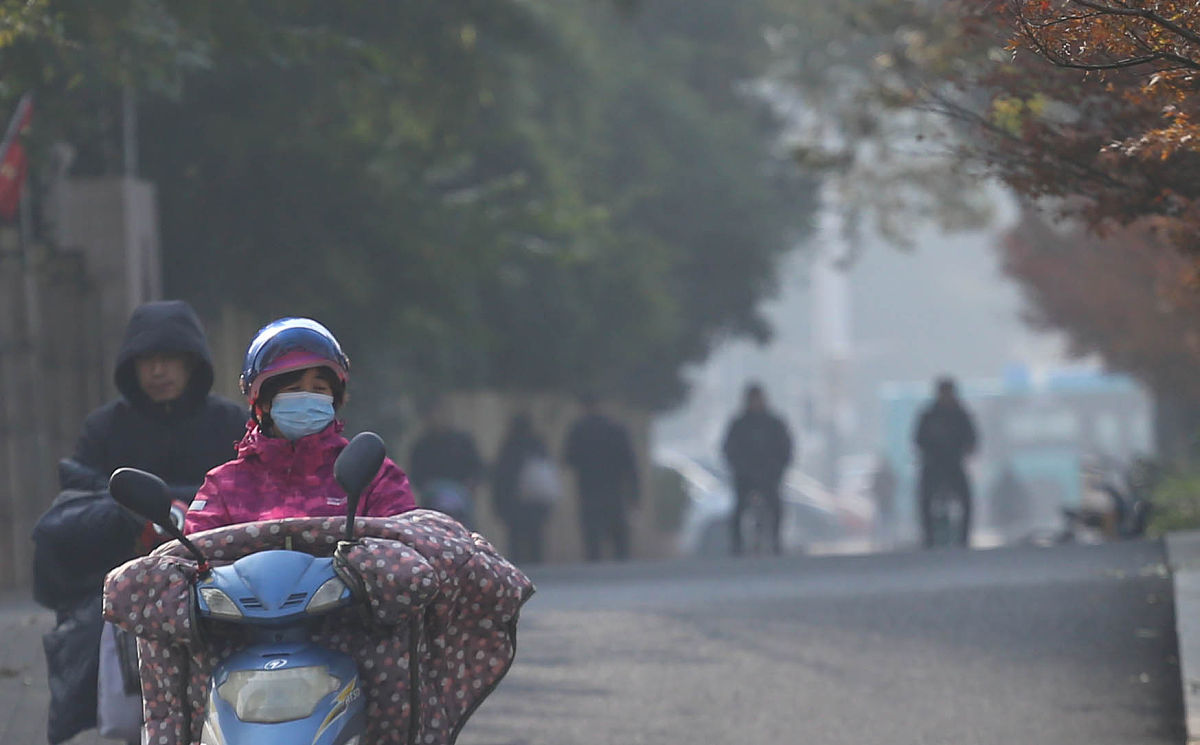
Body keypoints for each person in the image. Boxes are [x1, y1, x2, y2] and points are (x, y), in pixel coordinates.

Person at [33, 299, 248, 745]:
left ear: (193, 363)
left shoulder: (229, 422)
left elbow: (250, 488)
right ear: (131, 366)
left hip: (217, 574)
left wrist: (181, 508)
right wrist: (131, 515)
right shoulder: (105, 427)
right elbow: (78, 495)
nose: (158, 371)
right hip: (125, 581)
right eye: (147, 360)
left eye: (169, 359)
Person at [184, 317, 415, 533]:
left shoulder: (372, 476)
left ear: (335, 399)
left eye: (319, 389)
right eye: (293, 390)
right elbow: (193, 563)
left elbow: (402, 550)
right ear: (262, 402)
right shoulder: (226, 486)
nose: (307, 397)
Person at [563, 394, 640, 561]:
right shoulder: (616, 429)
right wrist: (634, 494)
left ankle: (594, 567)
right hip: (614, 489)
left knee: (592, 536)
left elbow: (568, 460)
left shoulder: (578, 430)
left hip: (588, 489)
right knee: (618, 534)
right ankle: (622, 564)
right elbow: (630, 464)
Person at [721, 383, 793, 556]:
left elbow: (785, 449)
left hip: (769, 476)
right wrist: (740, 468)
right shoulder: (739, 424)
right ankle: (736, 544)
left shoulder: (774, 423)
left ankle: (776, 540)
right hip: (745, 476)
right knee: (739, 508)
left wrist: (777, 470)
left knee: (776, 507)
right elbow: (729, 450)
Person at [913, 376, 978, 548]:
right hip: (933, 464)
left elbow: (972, 438)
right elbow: (918, 439)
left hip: (954, 464)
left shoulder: (961, 414)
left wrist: (966, 450)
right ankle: (929, 538)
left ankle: (963, 538)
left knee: (966, 500)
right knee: (925, 499)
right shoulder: (929, 415)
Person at [491, 412, 557, 564]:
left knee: (515, 538)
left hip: (513, 501)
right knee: (535, 536)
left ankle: (518, 570)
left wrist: (498, 504)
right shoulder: (538, 444)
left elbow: (502, 477)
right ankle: (537, 563)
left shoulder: (509, 446)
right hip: (535, 500)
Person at [407, 397, 484, 526]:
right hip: (433, 501)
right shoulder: (422, 446)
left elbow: (477, 468)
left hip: (461, 499)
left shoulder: (463, 442)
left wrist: (470, 485)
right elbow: (416, 474)